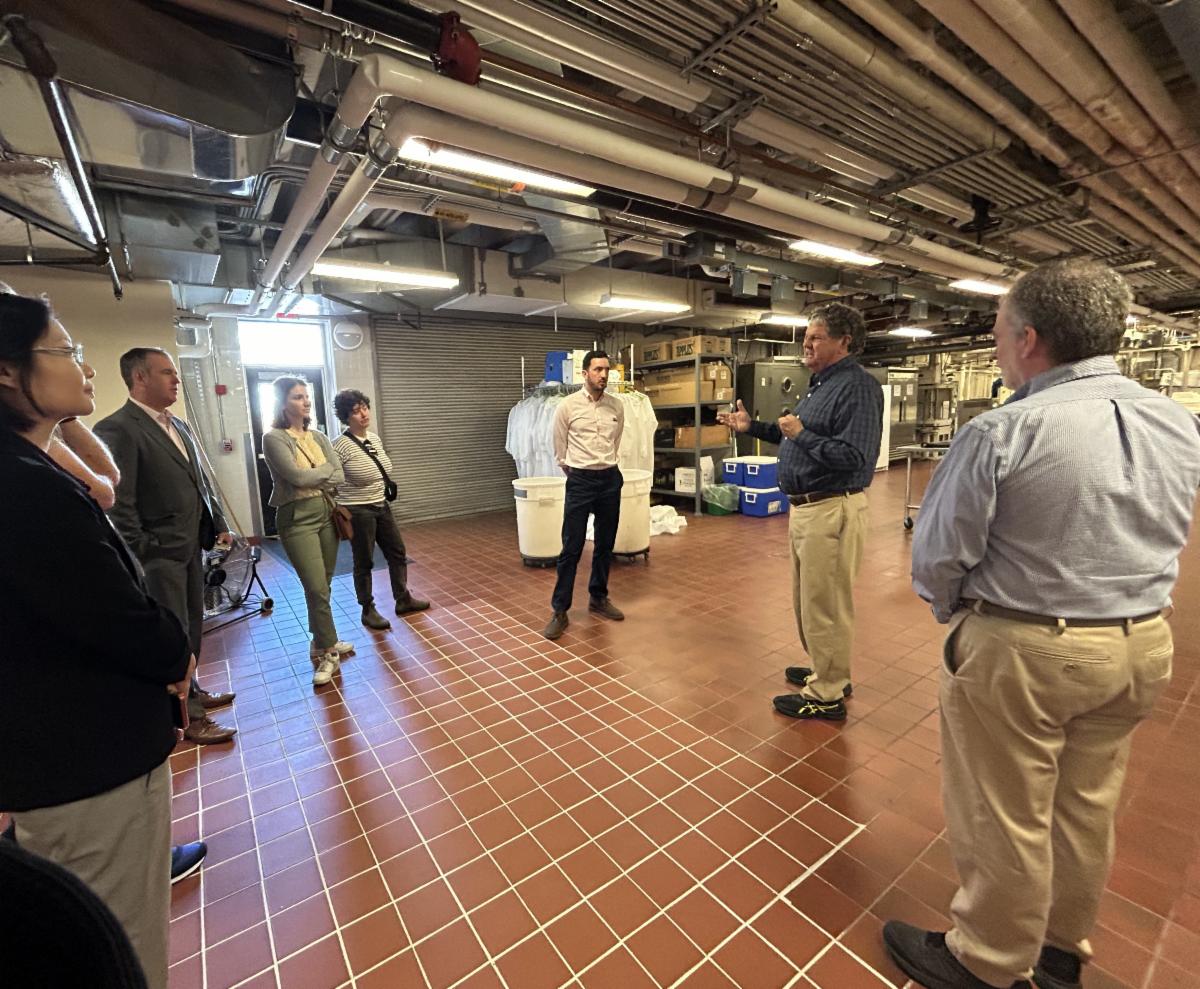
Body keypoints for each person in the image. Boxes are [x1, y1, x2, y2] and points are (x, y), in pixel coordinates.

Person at [888, 259, 1200, 989]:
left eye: (999, 332)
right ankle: (1060, 948)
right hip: (1141, 644)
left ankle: (988, 958)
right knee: (1086, 804)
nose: (997, 346)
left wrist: (958, 617)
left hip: (1027, 648)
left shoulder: (1003, 430)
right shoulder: (1179, 423)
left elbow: (939, 555)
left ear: (1028, 339)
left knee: (1004, 809)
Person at [0, 291, 193, 989]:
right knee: (122, 941)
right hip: (86, 759)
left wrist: (60, 419)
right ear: (6, 370)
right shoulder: (23, 489)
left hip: (64, 752)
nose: (85, 368)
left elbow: (104, 489)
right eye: (67, 350)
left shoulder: (29, 463)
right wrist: (174, 651)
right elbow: (119, 618)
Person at [718, 302, 883, 721]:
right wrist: (751, 427)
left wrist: (803, 434)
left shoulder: (858, 387)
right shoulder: (821, 384)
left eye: (816, 338)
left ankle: (827, 693)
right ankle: (827, 670)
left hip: (831, 508)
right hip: (808, 509)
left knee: (825, 603)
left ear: (844, 342)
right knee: (809, 600)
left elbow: (855, 456)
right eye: (806, 337)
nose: (806, 344)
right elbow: (791, 434)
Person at [94, 348, 236, 745]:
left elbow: (199, 484)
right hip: (160, 556)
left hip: (190, 546)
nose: (176, 379)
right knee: (172, 636)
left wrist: (219, 524)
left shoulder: (178, 425)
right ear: (140, 377)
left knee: (193, 627)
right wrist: (147, 549)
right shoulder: (119, 428)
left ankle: (194, 692)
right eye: (167, 372)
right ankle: (188, 718)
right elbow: (120, 504)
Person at [261, 376, 352, 686]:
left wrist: (317, 474)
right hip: (297, 518)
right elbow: (296, 478)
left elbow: (339, 475)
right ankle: (329, 652)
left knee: (324, 583)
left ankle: (322, 639)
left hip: (326, 512)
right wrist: (323, 472)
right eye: (298, 397)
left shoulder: (319, 437)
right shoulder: (274, 438)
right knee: (315, 586)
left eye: (306, 396)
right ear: (282, 402)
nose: (306, 401)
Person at [543, 350, 626, 641]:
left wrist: (605, 467)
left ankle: (598, 597)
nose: (603, 375)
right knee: (572, 547)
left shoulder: (617, 406)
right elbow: (559, 446)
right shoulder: (567, 406)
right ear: (585, 373)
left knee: (605, 544)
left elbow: (616, 440)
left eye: (606, 370)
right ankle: (559, 610)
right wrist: (575, 470)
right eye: (598, 369)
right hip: (580, 480)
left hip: (610, 479)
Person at [331, 389, 429, 630]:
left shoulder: (374, 439)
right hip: (358, 510)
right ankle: (367, 609)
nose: (363, 414)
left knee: (397, 552)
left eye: (365, 407)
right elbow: (331, 481)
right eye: (356, 411)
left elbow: (380, 469)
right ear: (346, 416)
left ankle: (402, 598)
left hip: (381, 504)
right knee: (364, 560)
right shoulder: (339, 446)